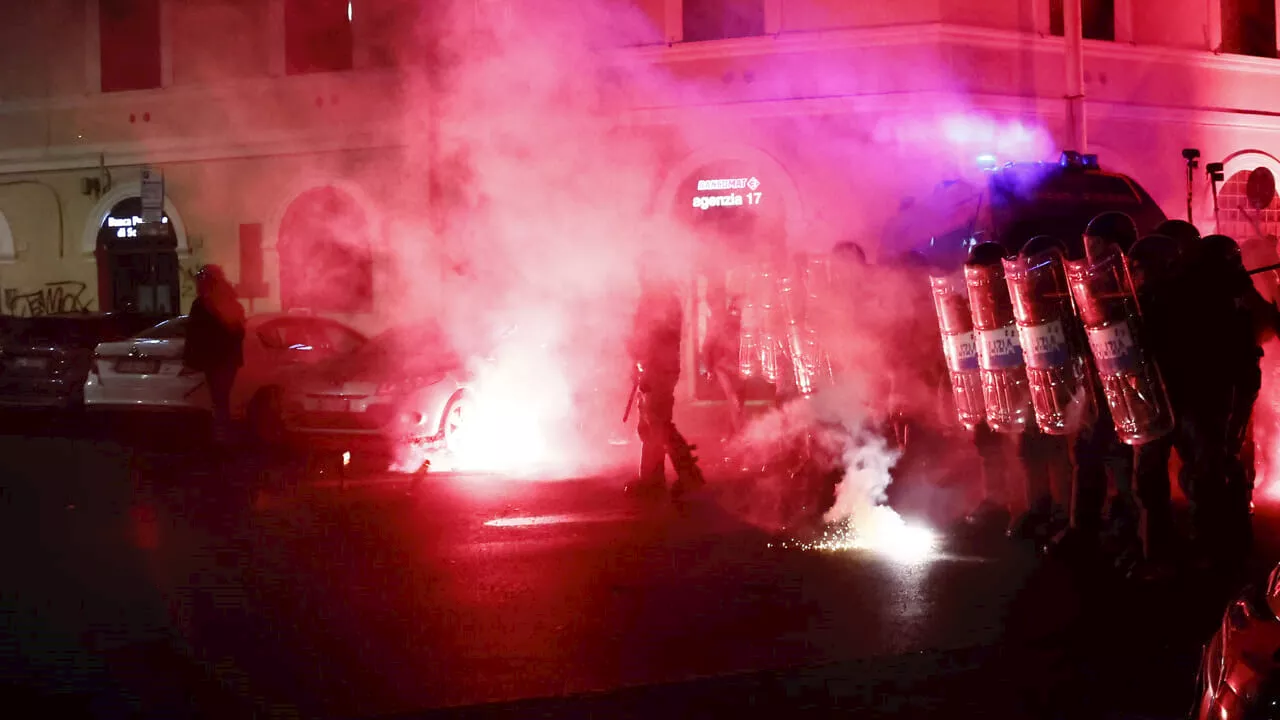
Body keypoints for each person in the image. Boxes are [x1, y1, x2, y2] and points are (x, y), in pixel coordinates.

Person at [1048, 214, 1140, 563]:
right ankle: (1083, 527)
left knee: (1124, 463)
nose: (1090, 253)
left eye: (1095, 245)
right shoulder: (1095, 280)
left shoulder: (1130, 281)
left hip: (1125, 387)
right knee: (1086, 454)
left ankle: (1129, 532)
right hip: (1096, 383)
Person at [625, 262, 704, 500]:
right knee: (650, 425)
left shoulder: (661, 301)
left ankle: (689, 476)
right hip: (655, 368)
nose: (641, 276)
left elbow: (656, 337)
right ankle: (652, 479)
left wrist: (643, 359)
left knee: (659, 424)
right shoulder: (655, 299)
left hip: (659, 369)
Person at [183, 264, 245, 445]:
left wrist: (191, 357)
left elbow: (194, 332)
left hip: (216, 359)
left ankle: (220, 435)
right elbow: (239, 332)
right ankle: (222, 433)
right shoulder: (230, 302)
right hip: (226, 360)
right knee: (221, 397)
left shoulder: (204, 304)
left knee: (219, 398)